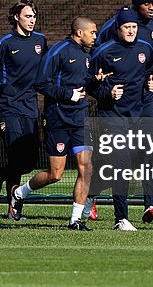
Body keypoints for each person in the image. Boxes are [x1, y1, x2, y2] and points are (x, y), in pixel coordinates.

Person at [9, 17, 100, 230]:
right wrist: (68, 95)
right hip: (58, 119)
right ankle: (19, 193)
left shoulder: (86, 55)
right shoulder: (59, 50)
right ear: (79, 32)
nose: (95, 37)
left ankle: (75, 220)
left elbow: (82, 83)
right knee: (55, 174)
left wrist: (95, 80)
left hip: (79, 119)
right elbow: (41, 83)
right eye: (93, 32)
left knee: (86, 168)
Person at [87, 0, 153, 221]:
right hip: (117, 109)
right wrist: (107, 90)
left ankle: (149, 206)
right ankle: (91, 193)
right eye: (146, 3)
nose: (151, 7)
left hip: (144, 103)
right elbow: (95, 65)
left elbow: (150, 67)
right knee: (122, 162)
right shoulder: (113, 31)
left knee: (147, 154)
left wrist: (152, 84)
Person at [0, 0, 47, 218]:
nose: (32, 20)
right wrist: (3, 88)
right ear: (16, 17)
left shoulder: (40, 41)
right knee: (17, 156)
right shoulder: (6, 43)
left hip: (30, 107)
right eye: (28, 16)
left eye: (34, 16)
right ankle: (14, 209)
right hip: (8, 107)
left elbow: (48, 70)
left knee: (30, 162)